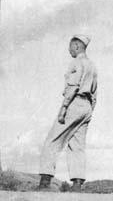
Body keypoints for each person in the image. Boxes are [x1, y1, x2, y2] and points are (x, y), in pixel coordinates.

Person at [39, 34, 97, 192]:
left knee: (52, 140)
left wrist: (64, 108)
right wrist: (90, 110)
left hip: (74, 102)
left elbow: (72, 87)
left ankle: (45, 181)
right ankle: (77, 184)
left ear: (77, 46)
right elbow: (94, 92)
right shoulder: (92, 65)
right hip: (86, 107)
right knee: (77, 145)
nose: (69, 50)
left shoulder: (76, 63)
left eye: (70, 46)